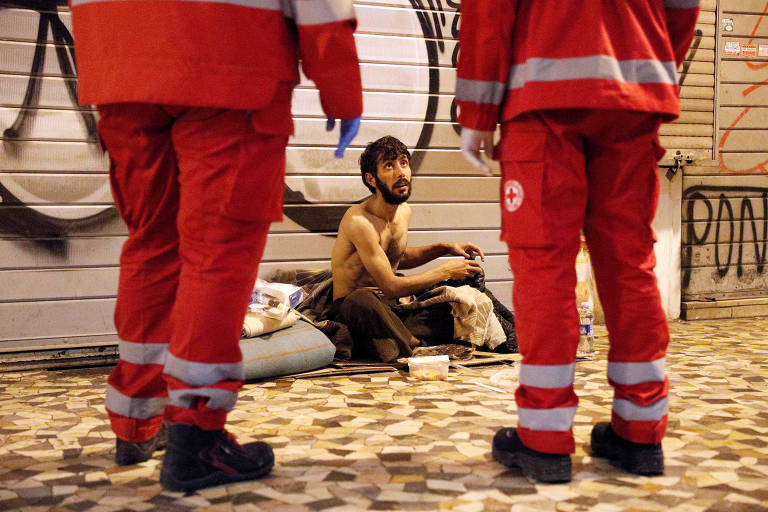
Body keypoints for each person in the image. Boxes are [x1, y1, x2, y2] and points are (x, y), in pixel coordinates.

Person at [70, 0, 362, 492]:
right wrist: (340, 82)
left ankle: (138, 423)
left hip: (120, 60)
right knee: (218, 255)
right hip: (231, 57)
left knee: (151, 247)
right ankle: (196, 437)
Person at [456, 0, 700, 483]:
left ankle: (544, 441)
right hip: (634, 98)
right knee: (631, 265)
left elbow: (488, 11)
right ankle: (641, 432)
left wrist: (478, 113)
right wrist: (646, 64)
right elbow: (683, 7)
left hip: (543, 96)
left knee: (544, 268)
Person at [331, 136, 485, 362]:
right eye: (389, 166)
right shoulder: (359, 221)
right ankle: (414, 346)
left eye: (404, 163)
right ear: (371, 179)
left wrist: (444, 248)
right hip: (355, 311)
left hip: (392, 308)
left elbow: (397, 259)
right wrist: (444, 271)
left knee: (459, 302)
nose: (400, 172)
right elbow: (390, 286)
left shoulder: (404, 212)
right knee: (360, 299)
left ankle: (394, 341)